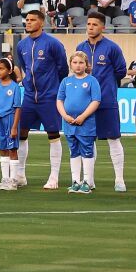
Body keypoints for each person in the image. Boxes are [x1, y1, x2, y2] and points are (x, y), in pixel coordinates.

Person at [14, 9, 67, 190]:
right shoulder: (22, 46)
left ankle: (54, 177)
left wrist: (55, 90)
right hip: (29, 96)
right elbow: (24, 66)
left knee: (53, 135)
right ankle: (20, 174)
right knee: (22, 134)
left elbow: (63, 69)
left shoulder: (53, 44)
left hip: (49, 96)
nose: (28, 22)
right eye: (27, 20)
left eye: (32, 20)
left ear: (41, 22)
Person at [76, 12, 127, 191]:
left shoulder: (112, 48)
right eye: (88, 24)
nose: (90, 27)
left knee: (113, 138)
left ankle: (119, 180)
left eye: (94, 24)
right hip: (85, 104)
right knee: (88, 140)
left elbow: (121, 71)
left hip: (107, 101)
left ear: (103, 27)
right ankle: (89, 180)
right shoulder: (80, 47)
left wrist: (106, 87)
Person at [56, 50, 101, 194]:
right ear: (70, 64)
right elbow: (59, 100)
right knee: (73, 151)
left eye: (81, 63)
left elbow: (96, 101)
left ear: (86, 65)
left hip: (86, 123)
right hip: (69, 123)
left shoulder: (92, 81)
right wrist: (64, 115)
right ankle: (75, 181)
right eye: (75, 62)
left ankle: (87, 182)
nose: (78, 66)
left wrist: (83, 116)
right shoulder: (66, 81)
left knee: (87, 150)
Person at [0, 58, 23, 191]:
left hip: (10, 119)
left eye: (1, 68)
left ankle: (13, 180)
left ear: (9, 70)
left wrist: (14, 127)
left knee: (12, 149)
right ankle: (5, 179)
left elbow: (18, 108)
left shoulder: (14, 87)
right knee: (2, 148)